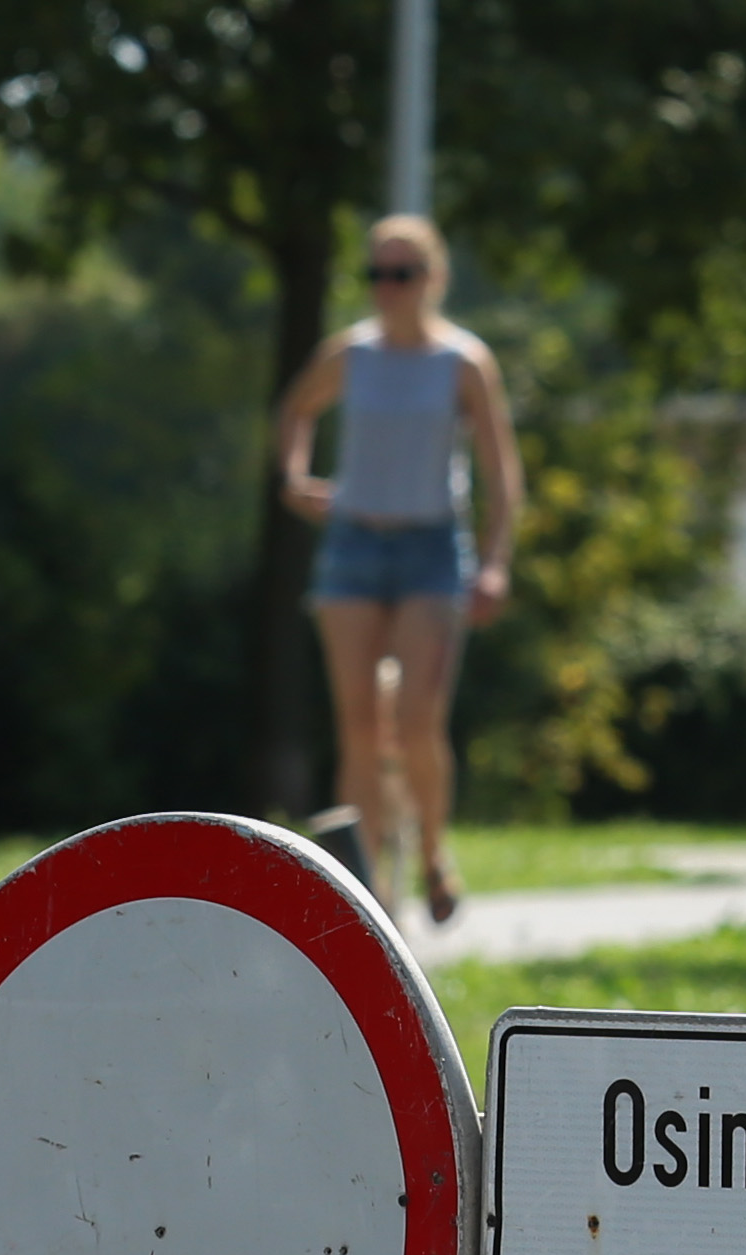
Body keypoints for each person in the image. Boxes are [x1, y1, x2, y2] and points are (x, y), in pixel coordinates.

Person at [270, 215, 522, 923]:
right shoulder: (349, 354)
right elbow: (296, 411)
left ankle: (435, 852)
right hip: (353, 545)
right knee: (356, 724)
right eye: (377, 273)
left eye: (403, 273)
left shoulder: (463, 363)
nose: (389, 288)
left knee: (414, 721)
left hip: (431, 552)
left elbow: (502, 471)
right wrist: (295, 476)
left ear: (434, 280)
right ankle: (373, 890)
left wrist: (496, 562)